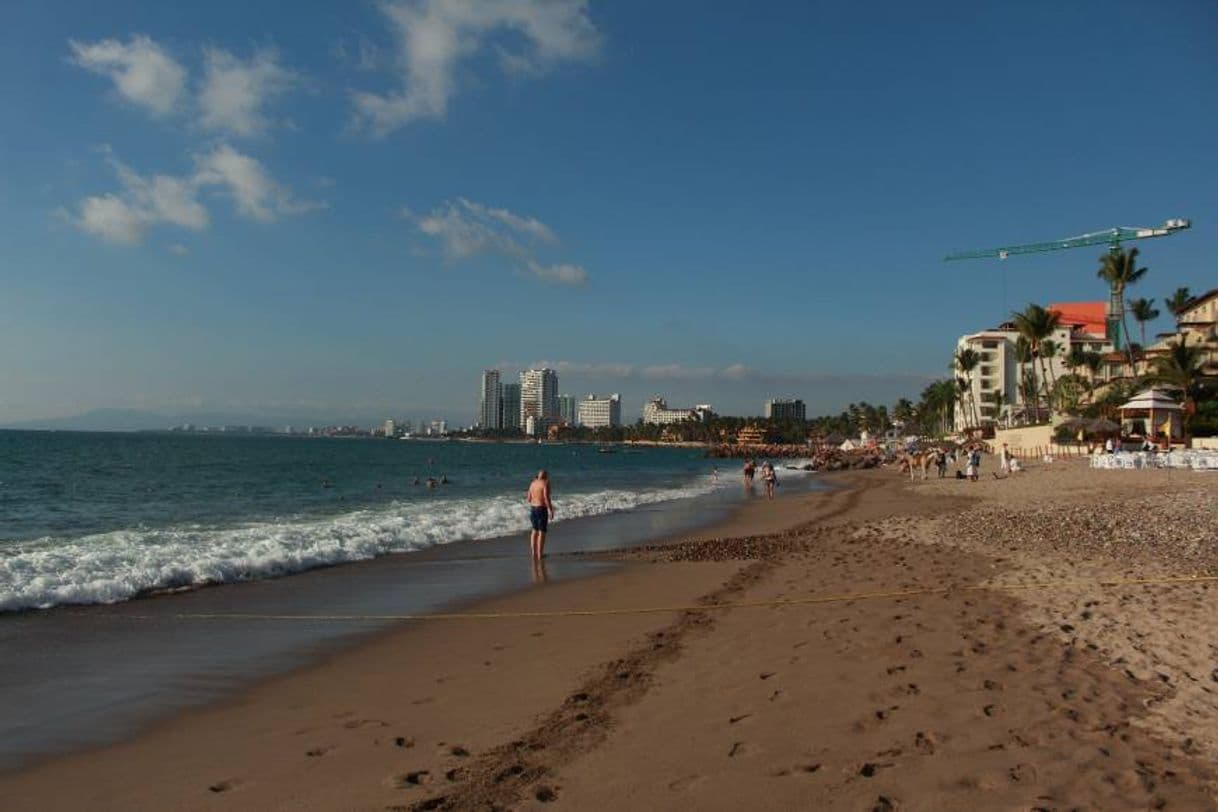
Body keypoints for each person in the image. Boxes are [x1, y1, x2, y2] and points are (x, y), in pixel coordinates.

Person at [525, 469, 555, 562]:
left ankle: (534, 553)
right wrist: (551, 510)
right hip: (541, 509)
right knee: (542, 532)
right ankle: (540, 554)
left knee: (534, 531)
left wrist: (535, 498)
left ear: (538, 475)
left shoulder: (532, 483)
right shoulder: (545, 483)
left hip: (533, 508)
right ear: (546, 476)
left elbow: (528, 498)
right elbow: (546, 498)